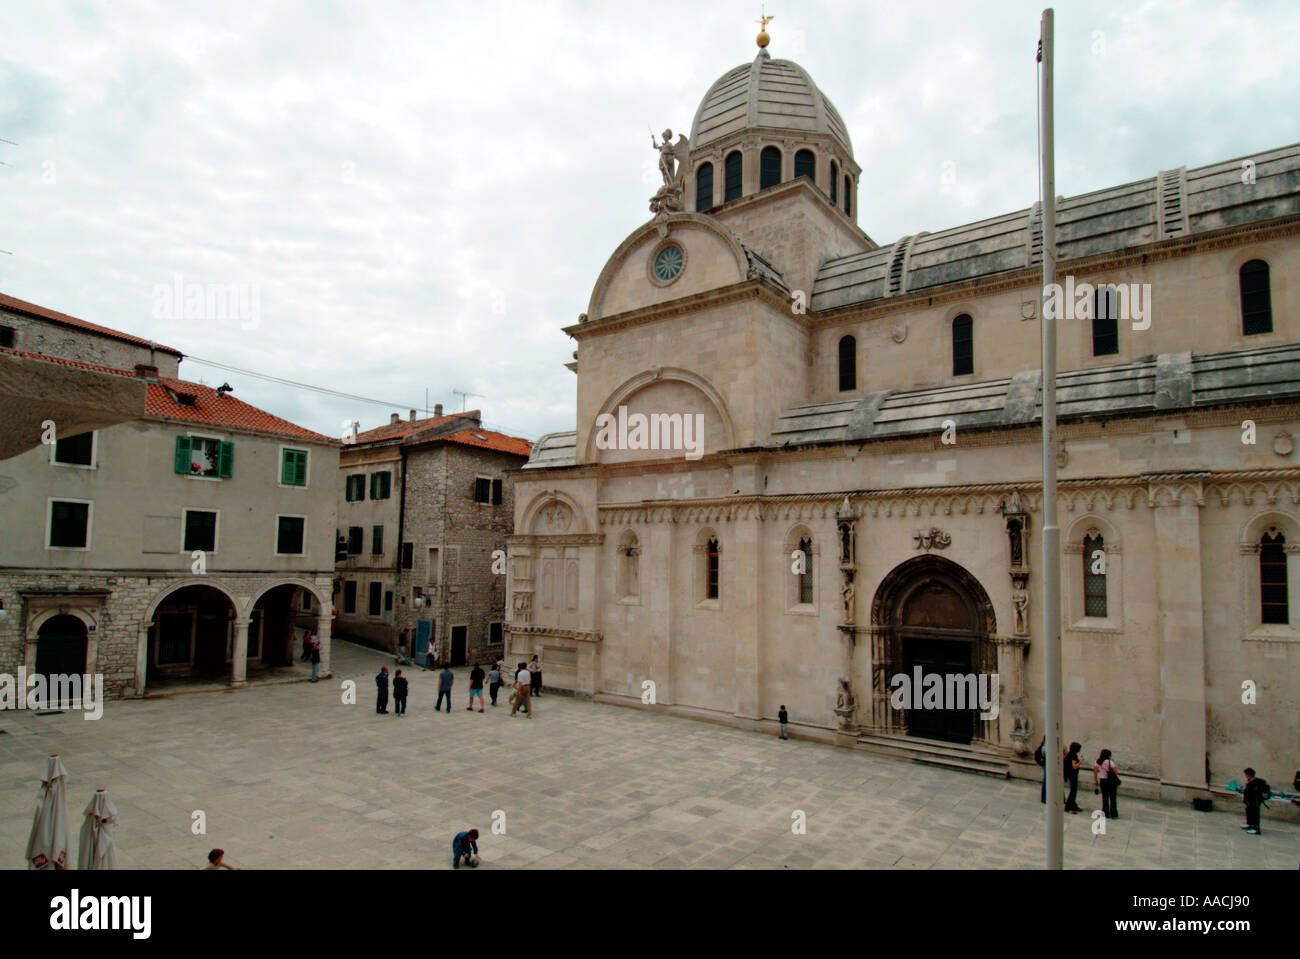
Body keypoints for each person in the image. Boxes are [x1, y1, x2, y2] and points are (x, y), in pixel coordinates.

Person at [1094, 748, 1120, 819]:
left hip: (1102, 781)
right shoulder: (1110, 762)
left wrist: (1096, 780)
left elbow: (1095, 772)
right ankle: (1113, 813)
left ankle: (1105, 813)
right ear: (1108, 755)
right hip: (1111, 781)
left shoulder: (1098, 762)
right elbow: (1116, 772)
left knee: (1105, 797)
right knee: (1113, 797)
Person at [1242, 768, 1269, 835]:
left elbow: (1257, 792)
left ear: (1249, 775)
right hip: (1249, 801)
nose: (1245, 776)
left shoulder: (1258, 782)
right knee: (1249, 811)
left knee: (1255, 814)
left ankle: (1256, 829)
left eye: (1246, 774)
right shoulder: (1249, 780)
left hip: (1255, 801)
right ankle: (1250, 824)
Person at [1064, 742, 1083, 813]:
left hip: (1070, 774)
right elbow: (1075, 766)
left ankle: (1074, 805)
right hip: (1072, 775)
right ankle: (1068, 807)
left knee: (1073, 790)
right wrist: (1081, 761)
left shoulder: (1070, 754)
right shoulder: (1073, 756)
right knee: (1073, 791)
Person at [1034, 736, 1047, 803]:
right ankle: (1044, 798)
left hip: (1046, 764)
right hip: (1047, 765)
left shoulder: (1042, 746)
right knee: (1046, 781)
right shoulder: (1044, 747)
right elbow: (1037, 755)